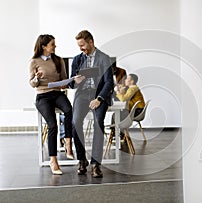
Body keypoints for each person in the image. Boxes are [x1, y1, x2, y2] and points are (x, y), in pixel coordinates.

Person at [69, 30, 113, 178]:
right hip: (82, 94)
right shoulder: (77, 59)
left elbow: (109, 82)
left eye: (82, 45)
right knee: (75, 123)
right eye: (79, 46)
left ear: (91, 42)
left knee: (98, 122)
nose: (81, 48)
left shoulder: (104, 58)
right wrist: (75, 81)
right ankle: (82, 160)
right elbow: (71, 84)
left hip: (98, 95)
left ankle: (96, 163)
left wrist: (99, 98)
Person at [29, 34, 74, 175]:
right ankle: (53, 160)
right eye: (52, 44)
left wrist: (66, 83)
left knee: (69, 110)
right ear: (44, 46)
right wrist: (37, 78)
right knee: (52, 124)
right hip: (43, 96)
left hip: (57, 93)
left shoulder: (58, 60)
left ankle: (68, 143)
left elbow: (64, 80)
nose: (55, 46)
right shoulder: (34, 62)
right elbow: (32, 83)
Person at [110, 73, 145, 139]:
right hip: (137, 110)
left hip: (137, 111)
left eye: (127, 79)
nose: (125, 80)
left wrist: (117, 91)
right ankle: (118, 133)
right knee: (119, 114)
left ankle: (115, 133)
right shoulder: (132, 88)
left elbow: (123, 99)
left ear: (132, 81)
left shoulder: (133, 88)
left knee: (116, 115)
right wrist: (121, 91)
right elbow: (125, 97)